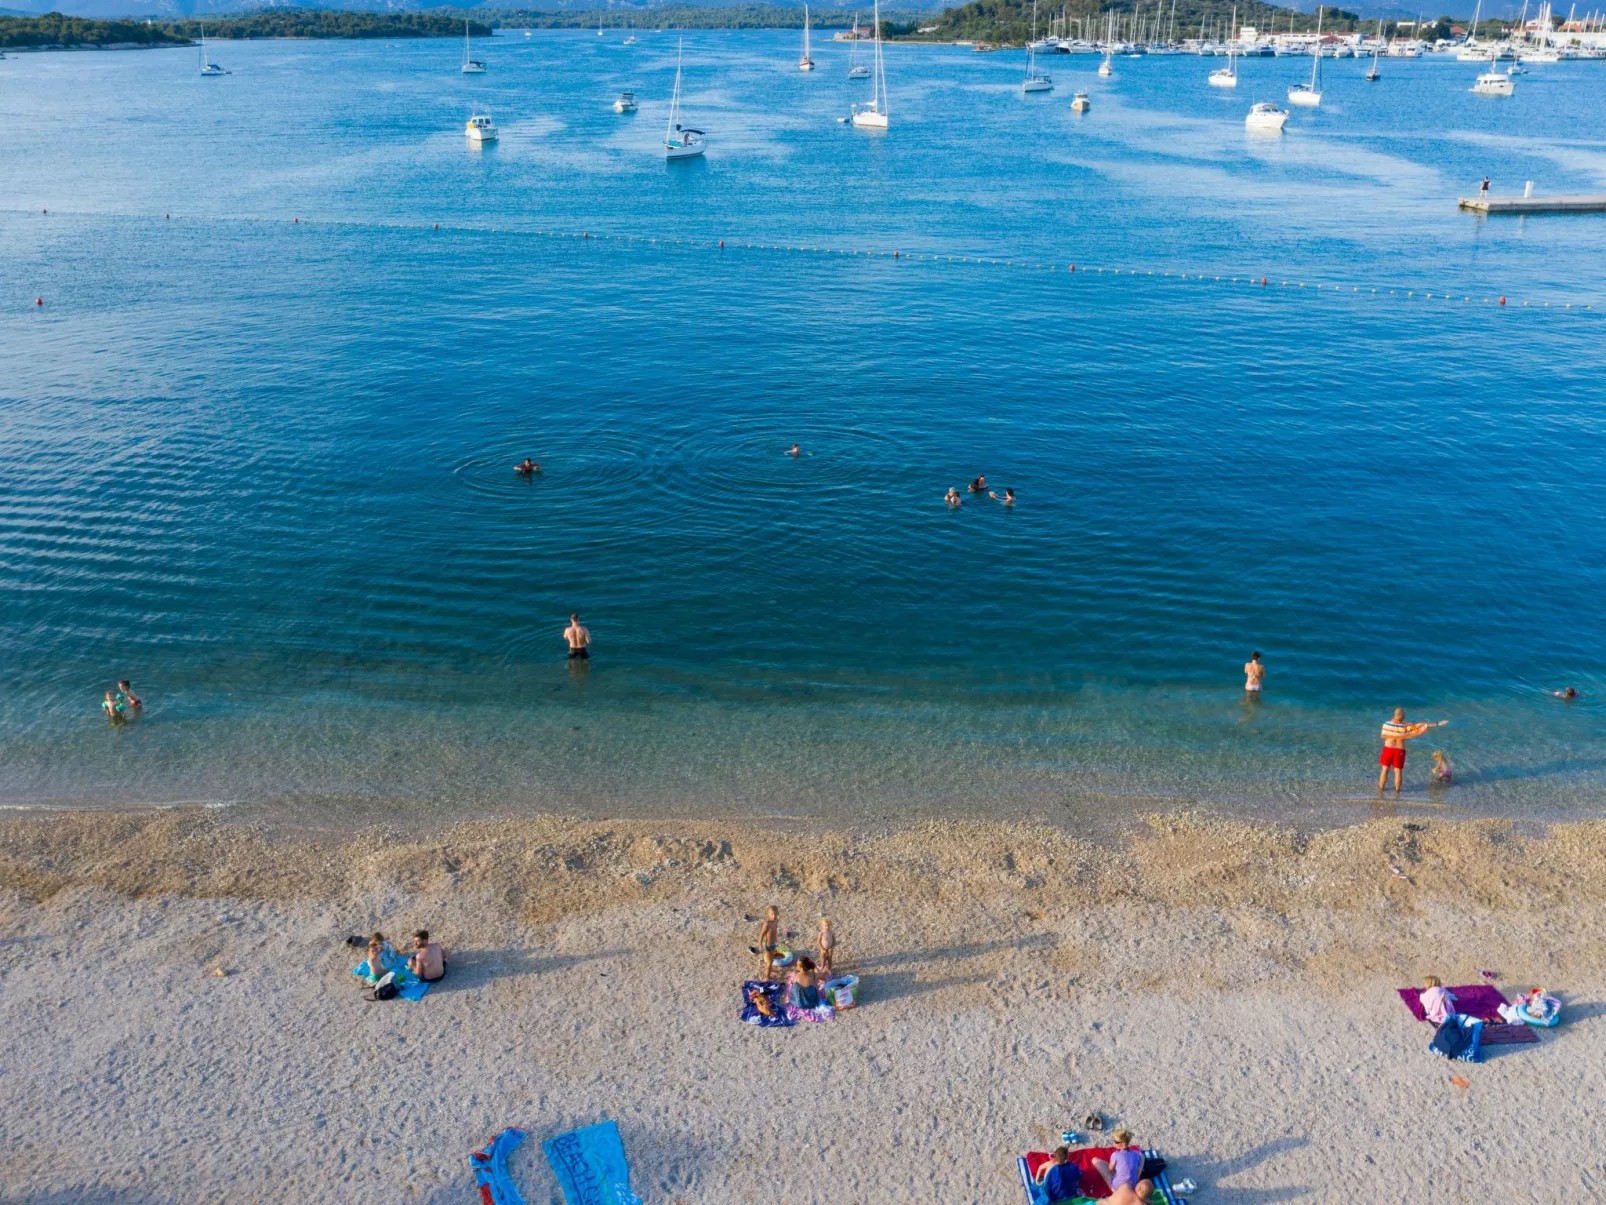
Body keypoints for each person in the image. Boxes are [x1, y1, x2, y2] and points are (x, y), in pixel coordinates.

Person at [1377, 708, 1449, 798]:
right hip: (1399, 750)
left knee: (1384, 769)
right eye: (1404, 714)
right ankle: (1397, 793)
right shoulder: (1405, 727)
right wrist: (1438, 723)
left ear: (1394, 715)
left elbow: (1385, 733)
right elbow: (1421, 725)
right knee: (1398, 772)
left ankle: (1380, 791)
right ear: (1402, 716)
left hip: (1388, 748)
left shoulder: (1387, 724)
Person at [1092, 1130, 1153, 1205]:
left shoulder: (1115, 1155)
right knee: (1141, 1157)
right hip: (1132, 1184)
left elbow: (1110, 1170)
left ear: (1123, 1144)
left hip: (1116, 1187)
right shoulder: (1135, 1154)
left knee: (1095, 1160)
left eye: (1116, 1142)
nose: (1114, 1143)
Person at [758, 906, 779, 980]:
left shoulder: (776, 921)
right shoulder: (767, 924)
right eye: (772, 914)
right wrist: (760, 945)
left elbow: (774, 931)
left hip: (774, 944)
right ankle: (767, 977)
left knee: (771, 959)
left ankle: (768, 967)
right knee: (770, 963)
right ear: (768, 914)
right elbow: (761, 935)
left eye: (776, 914)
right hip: (768, 946)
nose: (774, 916)